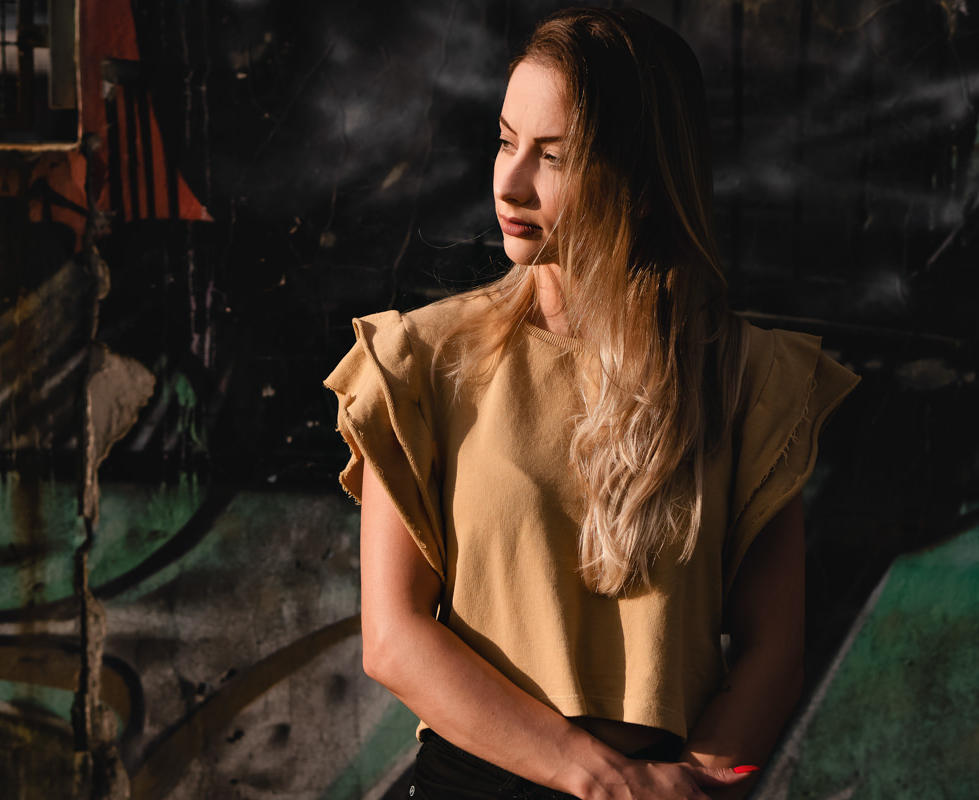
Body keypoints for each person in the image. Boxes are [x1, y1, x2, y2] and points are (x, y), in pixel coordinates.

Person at [325, 7, 858, 799]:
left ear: (641, 175)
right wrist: (601, 779)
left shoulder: (749, 377)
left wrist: (693, 782)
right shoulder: (421, 363)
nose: (509, 182)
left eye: (553, 156)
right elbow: (393, 639)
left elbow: (773, 650)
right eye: (505, 142)